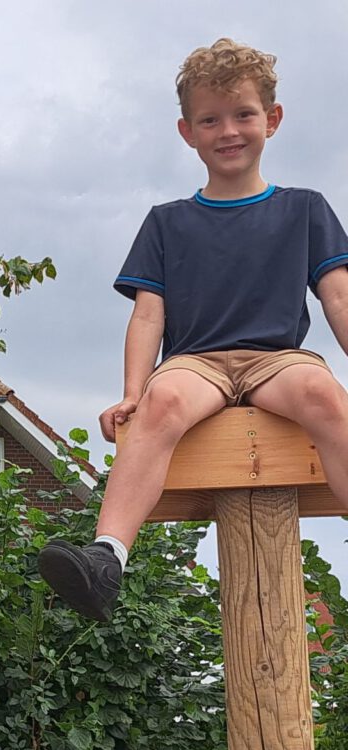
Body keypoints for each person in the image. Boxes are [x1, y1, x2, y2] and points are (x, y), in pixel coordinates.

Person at [38, 38, 348, 622]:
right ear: (187, 131)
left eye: (243, 115)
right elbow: (148, 315)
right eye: (210, 119)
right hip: (197, 360)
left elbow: (338, 297)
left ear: (272, 120)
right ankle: (107, 560)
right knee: (164, 400)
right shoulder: (166, 222)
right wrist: (133, 391)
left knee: (324, 395)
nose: (227, 130)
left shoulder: (305, 208)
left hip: (277, 356)